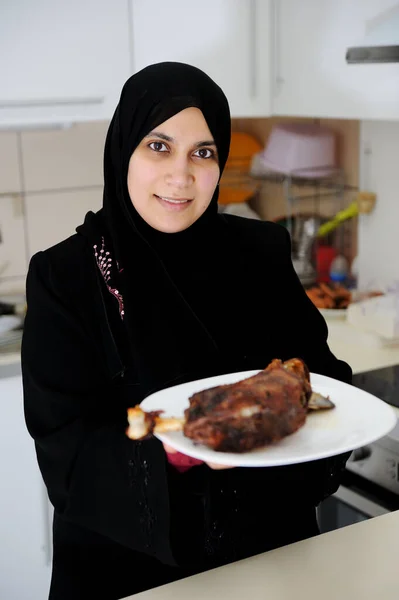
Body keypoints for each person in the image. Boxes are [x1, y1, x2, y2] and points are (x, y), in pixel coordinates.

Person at [22, 62, 352, 600]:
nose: (182, 176)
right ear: (123, 148)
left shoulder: (259, 252)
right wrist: (185, 449)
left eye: (203, 152)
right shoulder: (66, 276)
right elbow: (67, 453)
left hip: (269, 562)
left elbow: (323, 378)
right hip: (129, 573)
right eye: (158, 146)